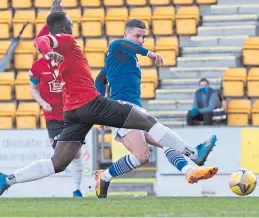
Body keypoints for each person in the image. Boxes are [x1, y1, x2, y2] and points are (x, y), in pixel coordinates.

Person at [0, 0, 217, 201]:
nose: (72, 26)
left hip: (72, 111)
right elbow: (44, 41)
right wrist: (49, 48)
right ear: (64, 28)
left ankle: (7, 180)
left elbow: (42, 39)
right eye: (69, 22)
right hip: (90, 103)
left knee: (58, 163)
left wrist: (49, 38)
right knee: (146, 120)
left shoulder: (56, 42)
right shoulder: (67, 40)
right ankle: (193, 153)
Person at [93, 19, 217, 198]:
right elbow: (118, 46)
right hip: (121, 108)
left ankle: (188, 170)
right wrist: (148, 53)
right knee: (147, 147)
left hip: (133, 108)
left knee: (154, 148)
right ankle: (194, 154)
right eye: (137, 36)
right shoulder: (116, 47)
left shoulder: (123, 60)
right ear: (125, 35)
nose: (141, 41)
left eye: (143, 37)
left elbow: (100, 79)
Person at [28, 0, 83, 198]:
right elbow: (33, 89)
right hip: (53, 117)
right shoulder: (37, 66)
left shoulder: (67, 56)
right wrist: (42, 102)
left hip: (71, 112)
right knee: (61, 156)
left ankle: (77, 189)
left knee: (75, 153)